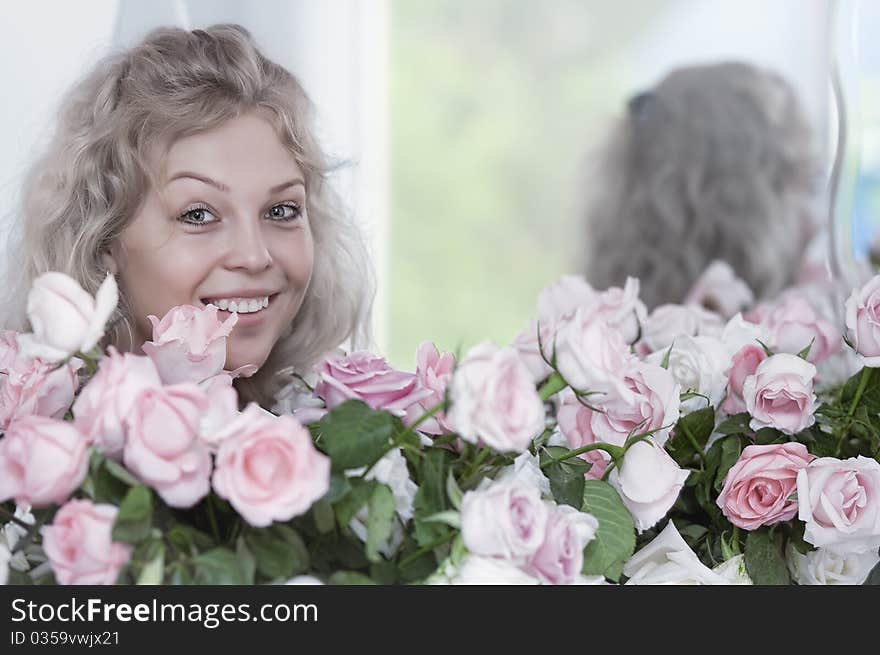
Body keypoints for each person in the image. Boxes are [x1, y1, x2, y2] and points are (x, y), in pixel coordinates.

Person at [0, 24, 375, 407]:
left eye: (281, 210)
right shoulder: (27, 451)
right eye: (198, 215)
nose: (254, 256)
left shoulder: (335, 431)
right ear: (104, 235)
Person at [579, 61, 824, 312]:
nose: (815, 224)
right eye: (798, 186)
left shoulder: (592, 336)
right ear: (739, 209)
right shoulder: (805, 328)